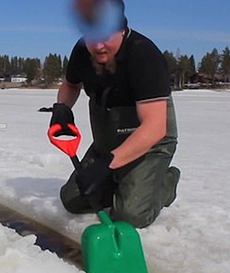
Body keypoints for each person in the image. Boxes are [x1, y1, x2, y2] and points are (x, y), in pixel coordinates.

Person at [50, 0, 180, 228]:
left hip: (150, 145)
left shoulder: (144, 56)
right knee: (73, 199)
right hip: (107, 143)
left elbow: (155, 128)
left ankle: (166, 183)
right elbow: (71, 85)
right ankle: (123, 180)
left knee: (130, 215)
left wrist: (106, 165)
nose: (99, 45)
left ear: (121, 28)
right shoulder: (83, 51)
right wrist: (62, 107)